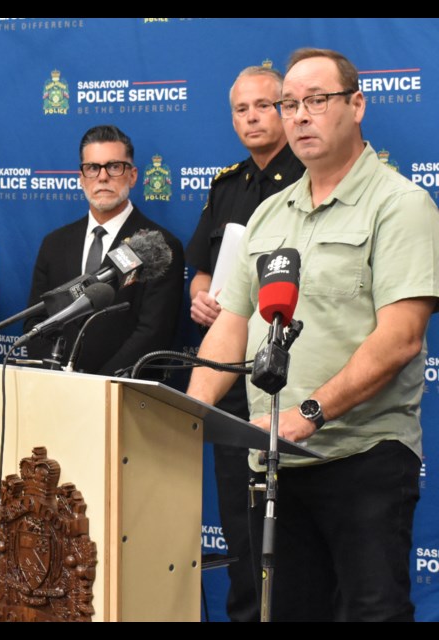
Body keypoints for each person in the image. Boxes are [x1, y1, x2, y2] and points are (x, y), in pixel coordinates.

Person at [186, 48, 439, 621]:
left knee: (371, 612)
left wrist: (309, 413)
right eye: (290, 104)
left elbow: (401, 337)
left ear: (356, 105)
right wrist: (190, 414)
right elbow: (231, 323)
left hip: (362, 457)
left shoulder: (400, 204)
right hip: (275, 464)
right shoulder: (269, 215)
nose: (298, 116)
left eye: (315, 101)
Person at [184, 64, 304, 622]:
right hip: (230, 376)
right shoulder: (227, 184)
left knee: (295, 545)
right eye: (241, 109)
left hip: (291, 377)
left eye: (265, 105)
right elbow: (202, 267)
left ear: (288, 108)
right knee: (238, 528)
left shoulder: (310, 176)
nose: (253, 117)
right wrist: (202, 291)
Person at [26, 124, 184, 376]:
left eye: (113, 166)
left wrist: (98, 385)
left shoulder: (161, 244)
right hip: (57, 390)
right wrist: (58, 377)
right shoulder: (54, 243)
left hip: (124, 393)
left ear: (132, 175)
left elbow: (153, 333)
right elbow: (35, 322)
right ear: (81, 177)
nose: (102, 177)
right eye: (92, 168)